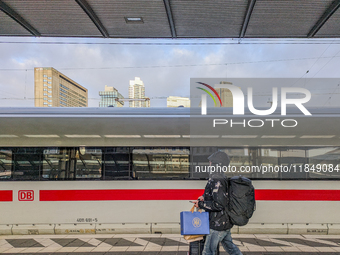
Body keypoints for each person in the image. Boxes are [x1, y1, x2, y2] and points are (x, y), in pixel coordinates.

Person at [193, 150, 242, 255]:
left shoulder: (217, 178)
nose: (209, 164)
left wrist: (200, 204)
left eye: (211, 162)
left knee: (208, 252)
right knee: (231, 249)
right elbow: (219, 196)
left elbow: (219, 204)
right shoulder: (220, 176)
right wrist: (204, 197)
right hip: (223, 221)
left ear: (217, 164)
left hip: (218, 223)